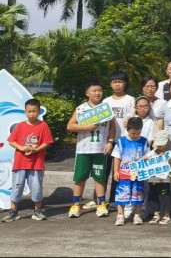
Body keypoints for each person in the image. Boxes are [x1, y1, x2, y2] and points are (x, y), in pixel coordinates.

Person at [66, 80, 115, 218]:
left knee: (100, 178)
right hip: (84, 150)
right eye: (94, 91)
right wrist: (86, 127)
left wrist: (110, 141)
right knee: (80, 178)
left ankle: (101, 203)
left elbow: (112, 126)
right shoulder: (81, 109)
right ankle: (76, 204)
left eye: (100, 90)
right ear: (87, 93)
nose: (97, 93)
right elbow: (70, 126)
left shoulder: (106, 108)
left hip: (100, 149)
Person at [1, 98, 54, 222]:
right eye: (29, 111)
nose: (31, 114)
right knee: (17, 187)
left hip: (36, 164)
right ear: (25, 112)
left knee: (36, 187)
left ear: (39, 111)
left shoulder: (43, 125)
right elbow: (11, 141)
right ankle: (13, 212)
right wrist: (21, 148)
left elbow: (47, 142)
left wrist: (37, 150)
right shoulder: (20, 126)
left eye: (34, 111)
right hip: (20, 164)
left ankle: (37, 211)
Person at [103, 70, 135, 206]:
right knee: (104, 171)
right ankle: (99, 199)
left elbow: (132, 119)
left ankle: (115, 199)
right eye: (114, 82)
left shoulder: (130, 100)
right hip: (108, 141)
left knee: (119, 171)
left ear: (125, 83)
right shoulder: (106, 101)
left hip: (123, 141)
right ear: (110, 84)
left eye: (120, 82)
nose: (117, 85)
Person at [112, 116, 149, 226]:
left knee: (138, 195)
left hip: (138, 175)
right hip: (124, 174)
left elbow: (148, 156)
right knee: (121, 195)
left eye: (138, 133)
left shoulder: (144, 141)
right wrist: (116, 171)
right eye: (133, 133)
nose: (135, 135)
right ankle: (120, 215)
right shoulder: (121, 142)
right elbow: (117, 157)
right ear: (127, 129)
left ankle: (137, 215)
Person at [144, 130, 171, 226]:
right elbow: (145, 157)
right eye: (158, 144)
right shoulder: (153, 152)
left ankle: (166, 215)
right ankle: (156, 213)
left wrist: (167, 158)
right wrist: (144, 159)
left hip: (164, 179)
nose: (160, 146)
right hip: (153, 178)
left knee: (164, 196)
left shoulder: (169, 153)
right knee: (153, 195)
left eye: (162, 144)